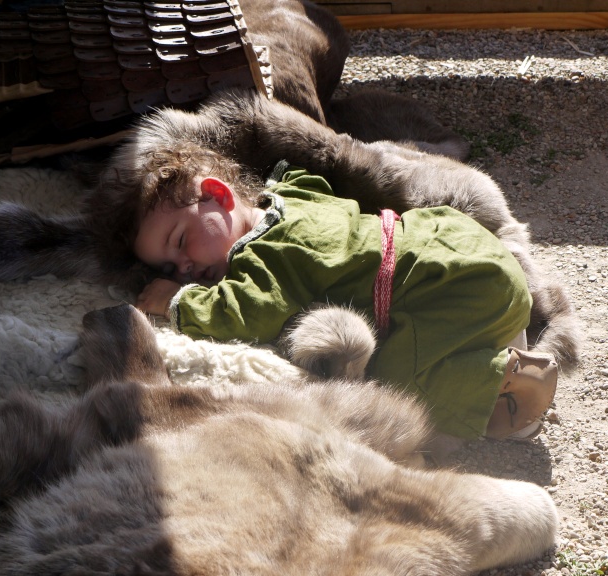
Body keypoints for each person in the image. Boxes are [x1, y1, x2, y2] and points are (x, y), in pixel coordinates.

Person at [132, 148, 557, 441]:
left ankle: (506, 389)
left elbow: (246, 312)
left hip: (442, 286)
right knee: (451, 328)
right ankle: (503, 335)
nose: (184, 267)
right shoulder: (289, 197)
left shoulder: (268, 258)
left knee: (394, 383)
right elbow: (318, 185)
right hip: (462, 245)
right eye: (169, 269)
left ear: (219, 195)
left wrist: (177, 300)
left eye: (180, 240)